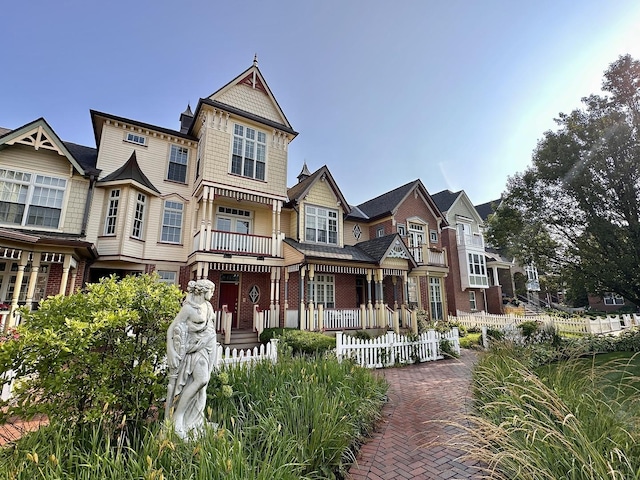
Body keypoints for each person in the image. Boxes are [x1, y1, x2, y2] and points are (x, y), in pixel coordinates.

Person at [166, 279, 217, 439]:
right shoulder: (188, 309)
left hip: (207, 348)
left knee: (203, 386)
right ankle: (178, 417)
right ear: (203, 291)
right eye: (211, 291)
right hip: (193, 350)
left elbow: (210, 327)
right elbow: (171, 329)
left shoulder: (208, 307)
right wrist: (171, 351)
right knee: (201, 379)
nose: (213, 294)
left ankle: (194, 419)